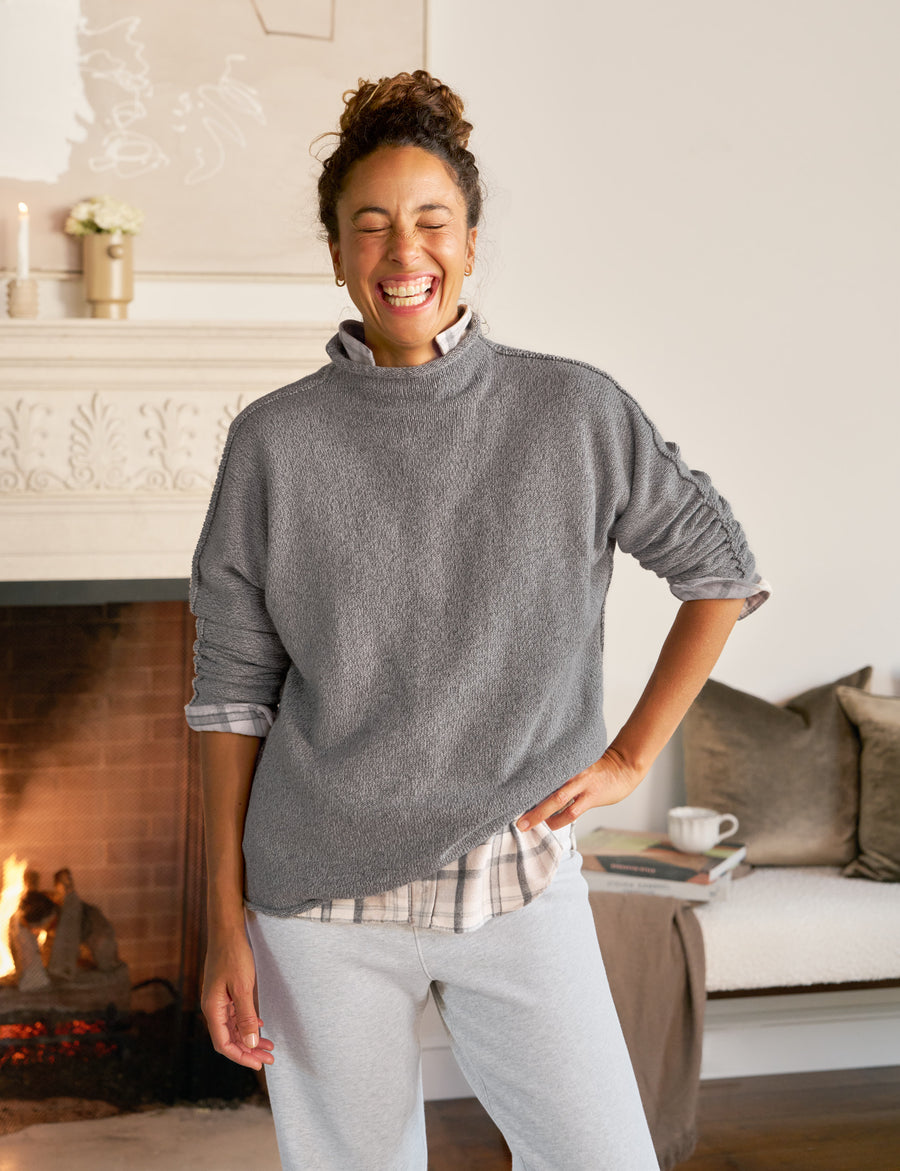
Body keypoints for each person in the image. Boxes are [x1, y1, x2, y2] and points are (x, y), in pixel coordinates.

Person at [185, 69, 769, 1171]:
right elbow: (229, 692)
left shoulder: (574, 411)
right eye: (371, 226)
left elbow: (721, 569)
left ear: (467, 237)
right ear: (337, 251)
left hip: (513, 873)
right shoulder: (273, 443)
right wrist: (226, 923)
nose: (404, 253)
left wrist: (631, 754)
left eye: (430, 222)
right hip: (317, 899)